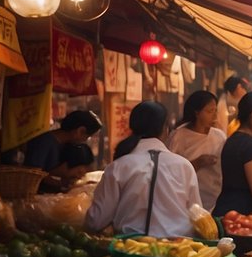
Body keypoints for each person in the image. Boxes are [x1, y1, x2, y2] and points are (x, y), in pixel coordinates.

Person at [85, 102, 201, 238]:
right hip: (178, 251)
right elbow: (198, 216)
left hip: (130, 251)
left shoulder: (118, 167)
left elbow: (95, 221)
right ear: (165, 129)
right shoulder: (184, 166)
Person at [167, 90, 226, 211]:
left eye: (216, 111)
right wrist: (197, 163)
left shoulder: (220, 136)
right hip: (186, 198)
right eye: (210, 111)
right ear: (197, 113)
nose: (215, 116)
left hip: (215, 197)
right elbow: (170, 171)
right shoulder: (179, 136)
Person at [21, 110, 102, 189]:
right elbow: (33, 174)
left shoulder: (63, 144)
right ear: (80, 131)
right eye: (87, 137)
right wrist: (62, 184)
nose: (84, 140)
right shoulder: (44, 141)